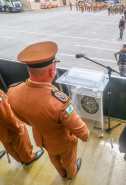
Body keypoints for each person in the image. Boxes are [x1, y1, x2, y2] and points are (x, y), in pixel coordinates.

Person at [8, 41, 90, 180]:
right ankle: (70, 174)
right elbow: (81, 130)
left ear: (29, 70)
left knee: (53, 158)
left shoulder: (12, 91)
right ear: (52, 72)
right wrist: (86, 136)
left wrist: (37, 124)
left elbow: (20, 117)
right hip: (63, 142)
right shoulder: (60, 102)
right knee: (69, 161)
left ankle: (61, 173)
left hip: (40, 139)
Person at [0, 89, 44, 165]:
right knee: (20, 141)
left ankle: (19, 159)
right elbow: (7, 115)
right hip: (8, 127)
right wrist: (18, 127)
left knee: (8, 143)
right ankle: (28, 158)